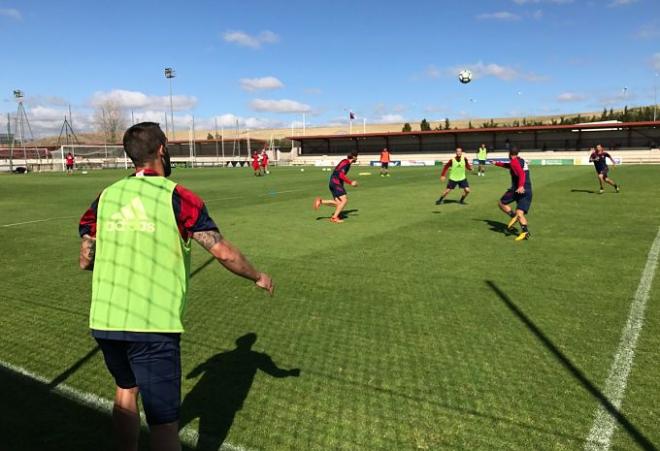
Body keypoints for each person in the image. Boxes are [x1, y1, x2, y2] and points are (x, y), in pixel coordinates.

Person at [78, 122, 273, 451]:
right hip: (151, 324)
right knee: (164, 424)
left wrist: (96, 252)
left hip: (105, 318)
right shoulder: (177, 196)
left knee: (125, 390)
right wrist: (258, 276)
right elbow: (222, 251)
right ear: (162, 151)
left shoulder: (106, 195)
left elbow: (86, 244)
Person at [491, 147, 532, 241]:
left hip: (517, 189)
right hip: (528, 190)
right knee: (520, 212)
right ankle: (525, 232)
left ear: (509, 154)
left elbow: (521, 174)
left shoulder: (514, 162)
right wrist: (497, 163)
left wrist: (521, 186)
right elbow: (510, 166)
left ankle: (513, 217)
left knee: (501, 203)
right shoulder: (520, 160)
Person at [313, 151, 359, 223]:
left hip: (332, 182)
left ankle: (321, 201)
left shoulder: (345, 161)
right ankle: (334, 218)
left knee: (338, 203)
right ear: (354, 157)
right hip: (336, 183)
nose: (357, 158)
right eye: (357, 157)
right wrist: (350, 183)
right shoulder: (346, 163)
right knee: (344, 200)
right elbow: (341, 175)